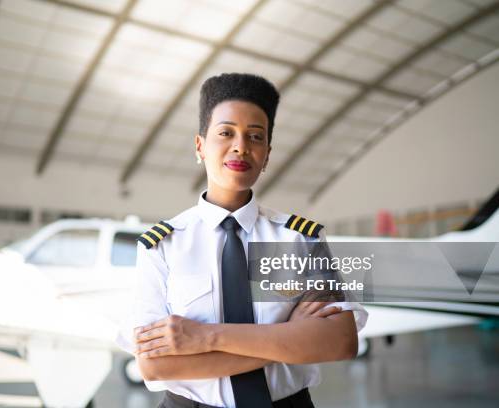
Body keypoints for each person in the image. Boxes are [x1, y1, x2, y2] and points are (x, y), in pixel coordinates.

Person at [117, 73, 368, 408]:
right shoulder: (162, 246)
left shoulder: (300, 239)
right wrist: (288, 340)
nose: (241, 146)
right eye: (226, 132)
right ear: (200, 146)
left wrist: (204, 337)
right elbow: (155, 365)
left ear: (267, 154)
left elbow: (339, 341)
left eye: (255, 136)